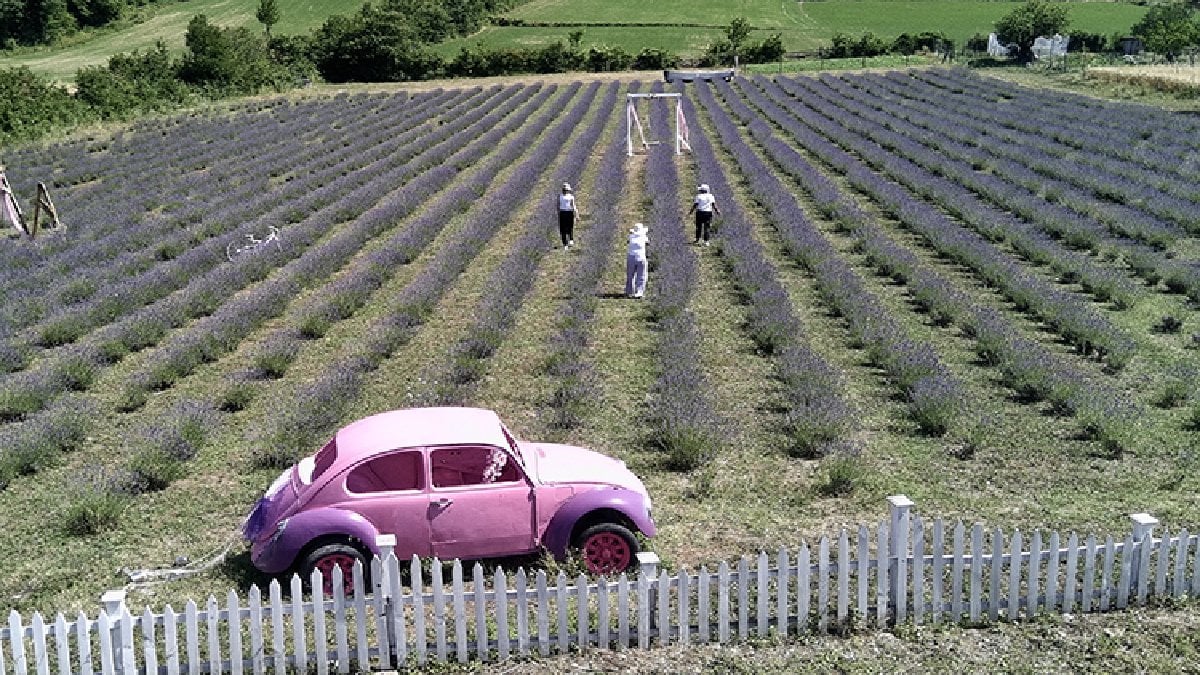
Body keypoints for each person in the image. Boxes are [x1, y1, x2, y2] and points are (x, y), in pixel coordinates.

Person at [625, 222, 649, 299]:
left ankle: (629, 291)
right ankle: (639, 292)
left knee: (630, 275)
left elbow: (628, 242)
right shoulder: (644, 237)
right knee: (641, 275)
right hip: (641, 257)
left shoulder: (631, 236)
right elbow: (648, 243)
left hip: (631, 257)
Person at [557, 182, 579, 249]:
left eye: (566, 189)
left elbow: (573, 205)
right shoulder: (560, 196)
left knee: (570, 226)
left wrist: (576, 214)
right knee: (562, 229)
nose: (565, 190)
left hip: (569, 212)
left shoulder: (571, 197)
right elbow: (558, 205)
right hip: (562, 212)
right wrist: (558, 213)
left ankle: (571, 239)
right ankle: (565, 244)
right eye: (564, 189)